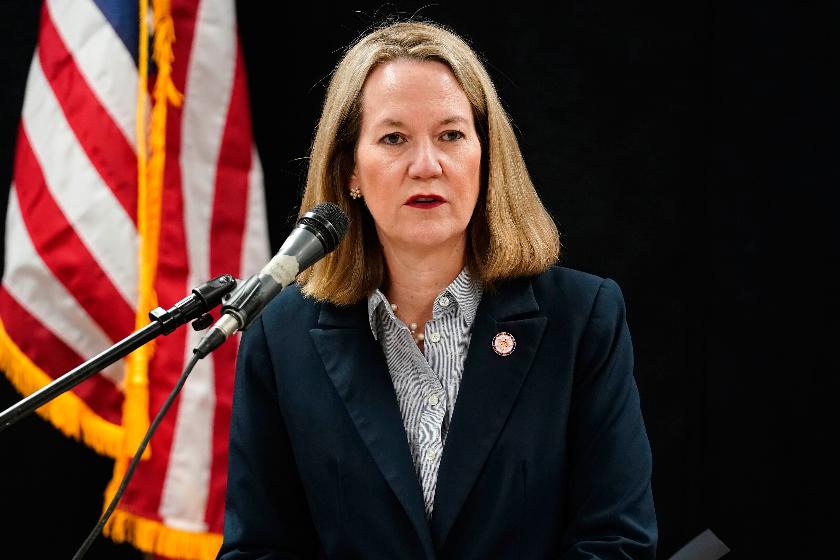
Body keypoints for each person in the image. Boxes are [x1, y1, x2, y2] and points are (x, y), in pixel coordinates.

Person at [218, 20, 656, 559]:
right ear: (350, 169)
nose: (427, 166)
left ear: (485, 156)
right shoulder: (279, 336)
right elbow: (258, 549)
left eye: (451, 134)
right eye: (394, 138)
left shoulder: (582, 319)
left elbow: (617, 541)